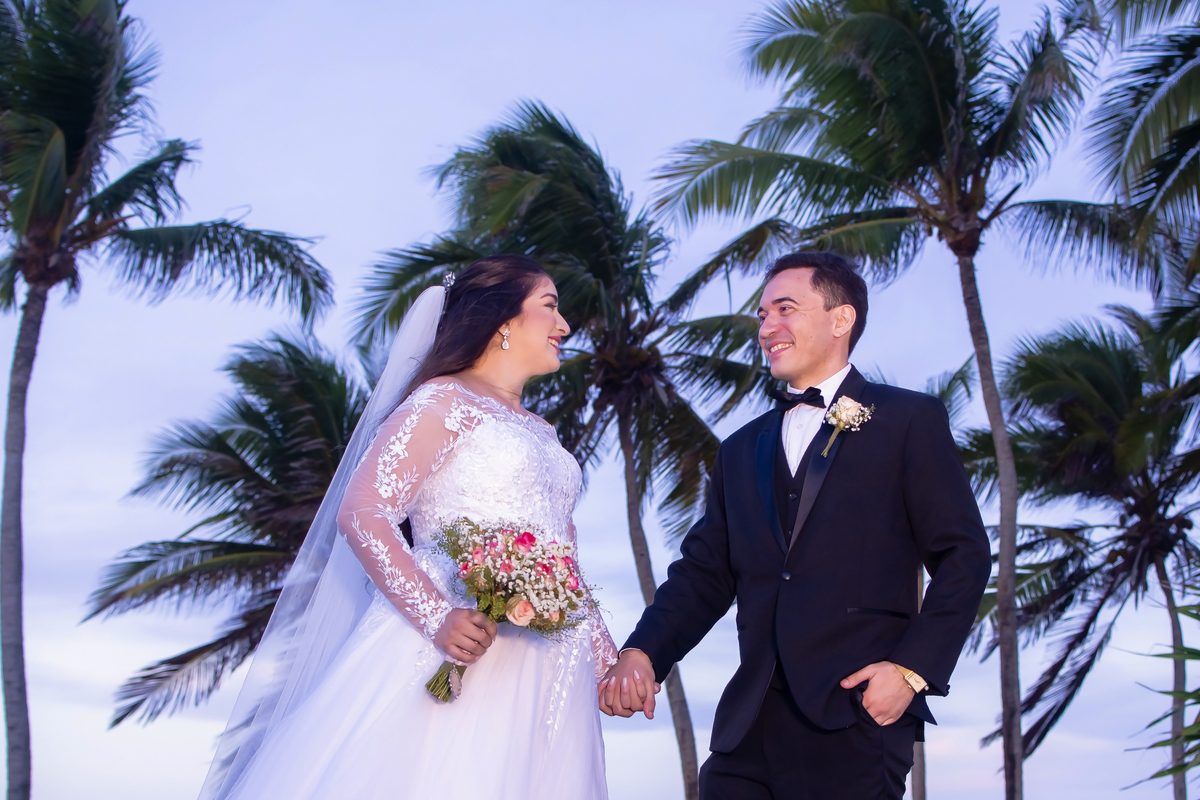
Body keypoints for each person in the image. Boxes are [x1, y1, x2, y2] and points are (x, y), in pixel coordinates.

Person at [197, 254, 617, 800]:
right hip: (448, 641)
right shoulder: (445, 400)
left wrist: (608, 662)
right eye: (550, 306)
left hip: (545, 663)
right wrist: (437, 617)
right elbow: (362, 510)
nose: (564, 325)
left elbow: (563, 556)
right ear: (503, 320)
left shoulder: (542, 431)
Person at [601, 252, 992, 799]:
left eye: (785, 309)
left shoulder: (909, 420)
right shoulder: (739, 450)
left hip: (856, 717)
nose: (767, 328)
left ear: (841, 318)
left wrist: (910, 671)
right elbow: (705, 574)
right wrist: (643, 652)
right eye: (762, 315)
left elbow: (964, 556)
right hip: (748, 725)